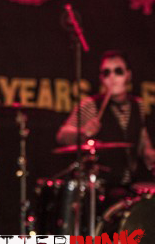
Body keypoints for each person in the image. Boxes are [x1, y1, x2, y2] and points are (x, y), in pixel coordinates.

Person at [57, 50, 155, 187]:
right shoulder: (91, 105)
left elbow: (143, 141)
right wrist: (84, 132)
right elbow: (62, 136)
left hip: (131, 184)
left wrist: (150, 155)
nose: (112, 77)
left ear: (128, 75)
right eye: (106, 73)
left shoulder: (138, 104)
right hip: (102, 186)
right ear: (101, 79)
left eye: (118, 71)